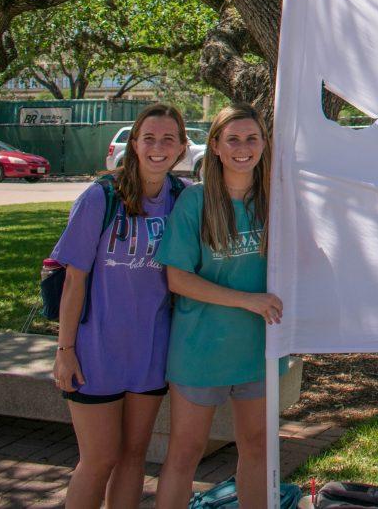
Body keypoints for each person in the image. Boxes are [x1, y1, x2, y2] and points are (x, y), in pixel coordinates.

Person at [51, 104, 189, 509]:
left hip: (150, 350)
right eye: (149, 138)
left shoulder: (182, 199)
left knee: (133, 457)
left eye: (168, 139)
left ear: (182, 147)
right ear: (134, 143)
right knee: (98, 459)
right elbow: (74, 281)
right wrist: (65, 350)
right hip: (96, 351)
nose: (158, 147)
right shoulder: (101, 197)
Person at [154, 104, 286, 509]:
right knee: (185, 454)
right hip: (200, 351)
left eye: (252, 138)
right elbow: (177, 279)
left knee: (258, 450)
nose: (243, 148)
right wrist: (248, 301)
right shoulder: (195, 202)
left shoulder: (278, 202)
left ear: (265, 143)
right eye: (233, 139)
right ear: (214, 146)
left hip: (259, 351)